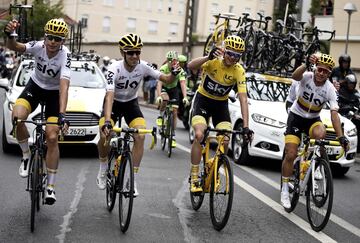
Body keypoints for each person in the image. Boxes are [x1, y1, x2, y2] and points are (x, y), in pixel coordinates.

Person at [97, 33, 179, 195]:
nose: (135, 56)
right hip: (113, 104)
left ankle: (131, 180)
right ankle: (103, 167)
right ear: (123, 53)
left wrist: (174, 73)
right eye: (130, 52)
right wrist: (107, 121)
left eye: (138, 52)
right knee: (105, 134)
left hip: (131, 104)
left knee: (140, 135)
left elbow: (166, 79)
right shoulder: (114, 69)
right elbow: (109, 96)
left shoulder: (144, 66)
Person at [4, 18, 71, 205]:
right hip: (34, 87)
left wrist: (62, 115)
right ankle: (26, 156)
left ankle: (50, 186)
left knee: (51, 137)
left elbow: (64, 87)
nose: (52, 42)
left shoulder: (65, 55)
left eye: (57, 39)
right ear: (45, 36)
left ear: (63, 41)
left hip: (54, 95)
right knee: (17, 118)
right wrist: (9, 34)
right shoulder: (38, 46)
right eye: (50, 37)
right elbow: (14, 46)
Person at [280, 53, 349, 209]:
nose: (321, 73)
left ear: (329, 73)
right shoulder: (307, 76)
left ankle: (317, 166)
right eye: (319, 69)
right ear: (315, 68)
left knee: (321, 133)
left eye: (325, 71)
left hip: (312, 119)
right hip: (296, 116)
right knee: (291, 154)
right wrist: (305, 63)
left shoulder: (330, 89)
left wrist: (341, 137)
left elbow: (334, 114)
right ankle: (285, 189)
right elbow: (295, 75)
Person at [187, 35, 253, 192]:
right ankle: (195, 176)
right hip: (203, 101)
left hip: (220, 105)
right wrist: (207, 56)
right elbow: (191, 65)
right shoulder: (213, 61)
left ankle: (214, 169)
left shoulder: (239, 71)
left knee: (224, 140)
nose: (232, 58)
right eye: (230, 53)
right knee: (199, 135)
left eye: (237, 56)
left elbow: (243, 99)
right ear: (224, 51)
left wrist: (246, 126)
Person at [156, 51, 189, 148]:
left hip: (173, 89)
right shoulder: (163, 68)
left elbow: (183, 84)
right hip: (164, 88)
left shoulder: (180, 70)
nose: (173, 63)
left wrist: (185, 97)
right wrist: (158, 96)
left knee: (174, 111)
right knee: (165, 100)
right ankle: (161, 116)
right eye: (171, 61)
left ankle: (173, 135)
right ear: (168, 61)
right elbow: (159, 83)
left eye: (175, 61)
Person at [338, 74, 360, 152]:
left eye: (353, 84)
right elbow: (337, 104)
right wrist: (345, 107)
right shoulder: (340, 91)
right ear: (346, 83)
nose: (352, 85)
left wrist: (354, 113)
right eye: (350, 83)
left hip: (352, 116)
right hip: (340, 115)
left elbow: (357, 105)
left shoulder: (356, 93)